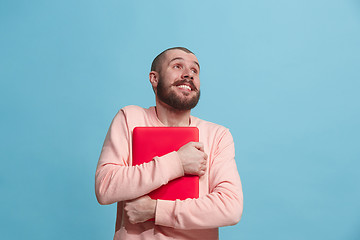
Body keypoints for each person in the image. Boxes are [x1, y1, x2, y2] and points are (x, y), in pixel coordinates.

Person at [95, 47, 243, 239]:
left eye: (194, 71)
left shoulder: (218, 135)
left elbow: (230, 207)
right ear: (154, 79)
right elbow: (105, 187)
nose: (188, 75)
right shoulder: (129, 118)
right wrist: (178, 163)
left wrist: (156, 210)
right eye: (177, 66)